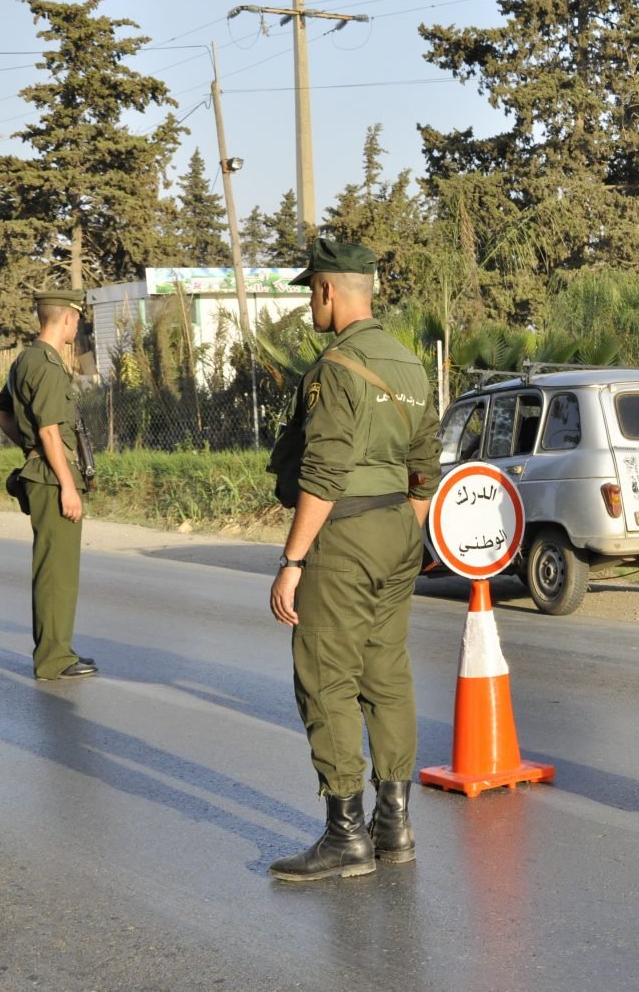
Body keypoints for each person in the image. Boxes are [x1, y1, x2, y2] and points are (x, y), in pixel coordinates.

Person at [265, 239, 441, 882]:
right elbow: (425, 470)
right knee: (387, 673)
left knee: (325, 676)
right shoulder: (411, 366)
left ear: (328, 292)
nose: (311, 302)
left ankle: (346, 836)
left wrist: (293, 559)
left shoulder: (336, 367)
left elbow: (324, 472)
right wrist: (403, 534)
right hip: (399, 529)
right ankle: (393, 826)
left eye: (311, 290)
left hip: (344, 535)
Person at [0, 290, 98, 682]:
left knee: (53, 568)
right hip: (54, 480)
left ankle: (57, 650)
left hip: (42, 473)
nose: (77, 326)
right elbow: (51, 431)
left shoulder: (25, 359)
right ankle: (54, 659)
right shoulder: (49, 365)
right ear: (67, 318)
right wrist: (68, 486)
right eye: (77, 319)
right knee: (57, 571)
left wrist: (31, 450)